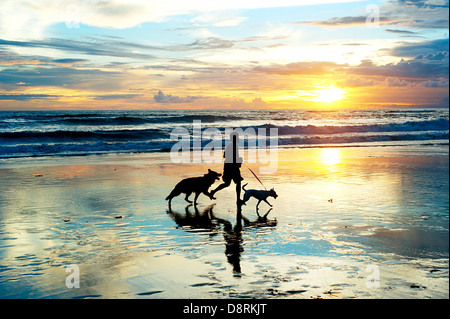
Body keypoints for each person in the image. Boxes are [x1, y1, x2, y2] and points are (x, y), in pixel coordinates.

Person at [210, 132, 244, 205]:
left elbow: (224, 156)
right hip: (233, 167)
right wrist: (239, 161)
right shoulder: (234, 146)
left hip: (227, 166)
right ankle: (238, 200)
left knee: (227, 183)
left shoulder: (229, 145)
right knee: (238, 182)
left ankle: (213, 191)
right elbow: (234, 157)